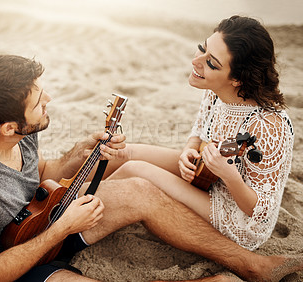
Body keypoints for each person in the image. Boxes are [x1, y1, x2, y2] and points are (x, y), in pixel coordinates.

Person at [0, 53, 302, 282]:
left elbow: (39, 171)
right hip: (16, 263)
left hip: (49, 217)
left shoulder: (8, 128)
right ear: (10, 127)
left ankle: (252, 265)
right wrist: (63, 228)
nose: (50, 101)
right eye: (40, 101)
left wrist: (77, 155)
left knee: (139, 187)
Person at [106, 15, 295, 251]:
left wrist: (230, 175)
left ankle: (73, 213)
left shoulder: (269, 126)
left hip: (238, 216)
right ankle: (71, 195)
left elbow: (259, 211)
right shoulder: (215, 90)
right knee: (123, 153)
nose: (196, 61)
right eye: (201, 49)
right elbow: (199, 131)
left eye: (211, 63)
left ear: (237, 79)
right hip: (206, 176)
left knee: (134, 169)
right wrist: (188, 151)